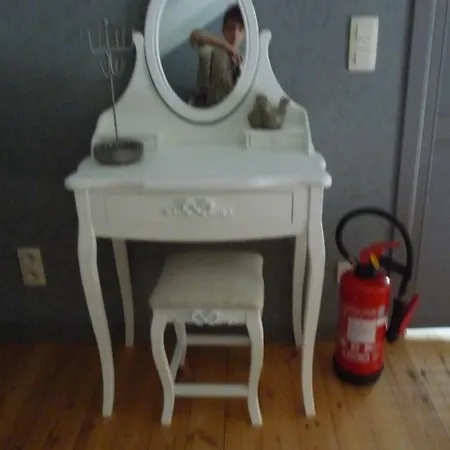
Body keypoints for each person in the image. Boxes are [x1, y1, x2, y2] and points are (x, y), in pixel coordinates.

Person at [189, 4, 245, 107]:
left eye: (241, 29)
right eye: (231, 28)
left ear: (244, 34)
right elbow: (195, 35)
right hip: (210, 109)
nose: (235, 34)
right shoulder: (213, 50)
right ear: (223, 29)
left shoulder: (246, 64)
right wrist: (226, 47)